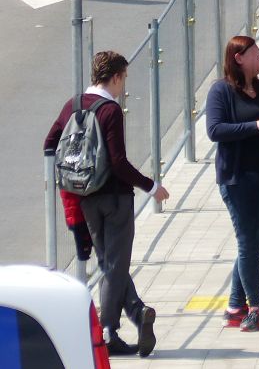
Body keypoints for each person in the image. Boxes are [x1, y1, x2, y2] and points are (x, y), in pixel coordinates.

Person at [44, 51, 167, 358]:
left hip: (85, 198)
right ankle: (107, 331)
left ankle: (138, 314)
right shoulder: (110, 111)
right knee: (115, 264)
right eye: (123, 79)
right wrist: (152, 186)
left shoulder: (72, 105)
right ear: (114, 77)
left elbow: (50, 143)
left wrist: (66, 178)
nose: (123, 86)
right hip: (115, 199)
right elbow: (118, 162)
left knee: (109, 262)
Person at [206, 35, 259, 332]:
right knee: (247, 243)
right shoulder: (221, 91)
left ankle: (234, 307)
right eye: (256, 53)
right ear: (239, 58)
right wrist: (256, 125)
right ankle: (255, 309)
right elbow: (215, 130)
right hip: (237, 179)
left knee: (257, 244)